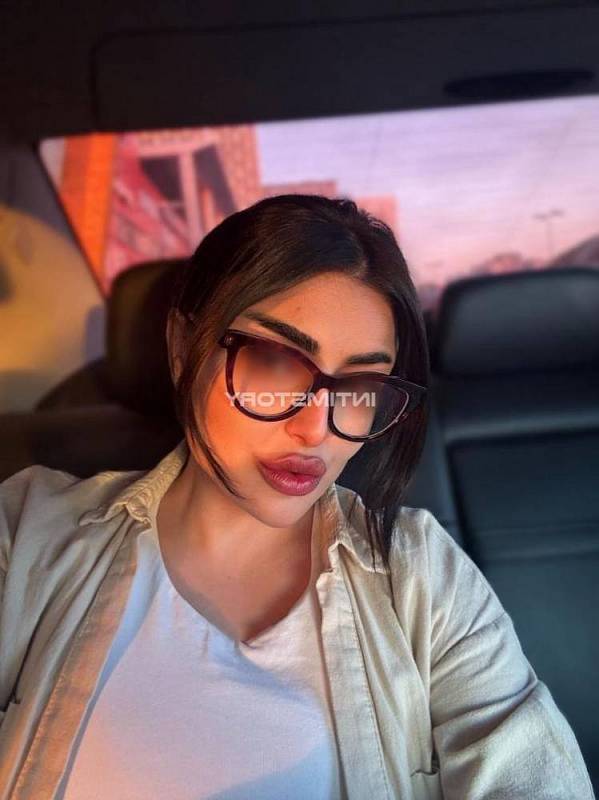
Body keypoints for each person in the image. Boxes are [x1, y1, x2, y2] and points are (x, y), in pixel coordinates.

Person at [0, 195, 594, 800]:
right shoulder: (26, 533)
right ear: (182, 349)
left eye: (359, 385)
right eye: (273, 362)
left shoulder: (421, 574)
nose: (315, 430)